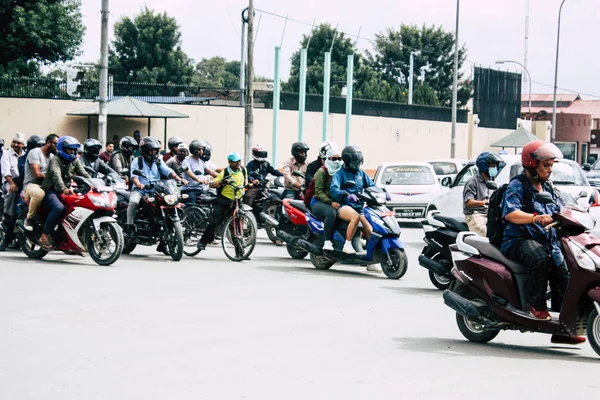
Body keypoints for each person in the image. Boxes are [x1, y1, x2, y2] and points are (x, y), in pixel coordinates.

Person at [500, 141, 583, 344]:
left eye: (551, 165)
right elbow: (511, 213)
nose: (549, 169)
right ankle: (536, 306)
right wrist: (535, 217)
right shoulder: (517, 185)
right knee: (540, 258)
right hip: (518, 239)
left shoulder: (548, 187)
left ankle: (563, 329)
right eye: (545, 165)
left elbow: (562, 207)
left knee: (564, 269)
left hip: (546, 240)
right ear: (532, 164)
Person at [125, 137, 188, 234]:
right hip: (141, 190)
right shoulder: (137, 161)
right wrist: (139, 184)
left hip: (156, 190)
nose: (154, 153)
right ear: (145, 151)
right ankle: (130, 226)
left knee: (170, 203)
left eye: (155, 151)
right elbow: (134, 176)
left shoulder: (158, 161)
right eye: (151, 151)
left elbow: (167, 170)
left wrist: (179, 179)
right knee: (134, 202)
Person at [40, 137, 91, 249]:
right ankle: (44, 235)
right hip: (51, 191)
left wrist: (94, 184)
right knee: (59, 208)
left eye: (74, 150)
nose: (72, 152)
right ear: (62, 148)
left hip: (66, 192)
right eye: (69, 149)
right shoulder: (56, 160)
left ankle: (68, 241)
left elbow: (84, 174)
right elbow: (56, 176)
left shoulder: (75, 160)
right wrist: (64, 188)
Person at [196, 152, 248, 251]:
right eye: (235, 162)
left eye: (239, 161)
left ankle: (240, 251)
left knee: (236, 225)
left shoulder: (243, 170)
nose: (238, 163)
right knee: (214, 222)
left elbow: (245, 181)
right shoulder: (225, 172)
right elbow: (212, 185)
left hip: (237, 200)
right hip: (224, 200)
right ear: (230, 162)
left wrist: (249, 185)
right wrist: (222, 182)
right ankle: (203, 242)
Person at [330, 145, 374, 255]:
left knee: (370, 230)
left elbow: (371, 185)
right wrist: (346, 194)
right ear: (347, 161)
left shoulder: (361, 173)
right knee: (355, 217)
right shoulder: (340, 174)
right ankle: (347, 244)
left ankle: (371, 259)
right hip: (344, 206)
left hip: (359, 207)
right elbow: (333, 189)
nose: (357, 165)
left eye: (359, 162)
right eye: (355, 163)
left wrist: (382, 191)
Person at [22, 134, 59, 231]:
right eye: (55, 144)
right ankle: (29, 218)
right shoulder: (35, 152)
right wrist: (53, 177)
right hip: (31, 185)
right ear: (48, 143)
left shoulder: (52, 157)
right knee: (39, 194)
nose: (57, 146)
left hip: (46, 185)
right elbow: (37, 174)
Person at [310, 145, 343, 251]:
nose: (337, 161)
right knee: (332, 213)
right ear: (328, 159)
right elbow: (319, 192)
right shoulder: (321, 172)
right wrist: (331, 202)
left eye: (339, 158)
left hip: (336, 200)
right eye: (334, 158)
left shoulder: (341, 171)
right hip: (319, 201)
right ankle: (327, 241)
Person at [463, 152, 502, 236]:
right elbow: (469, 202)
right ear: (483, 166)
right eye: (492, 166)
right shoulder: (473, 182)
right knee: (485, 235)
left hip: (489, 215)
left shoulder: (491, 182)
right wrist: (482, 202)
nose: (494, 168)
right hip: (475, 215)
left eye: (495, 166)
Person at [0, 132, 26, 251]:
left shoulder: (26, 155)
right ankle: (8, 214)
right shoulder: (6, 154)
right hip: (10, 182)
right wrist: (12, 183)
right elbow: (6, 172)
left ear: (23, 144)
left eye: (18, 143)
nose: (15, 144)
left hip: (23, 183)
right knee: (12, 198)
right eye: (14, 142)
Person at [180, 140, 210, 204]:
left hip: (200, 189)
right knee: (192, 207)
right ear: (193, 150)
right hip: (189, 190)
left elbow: (210, 172)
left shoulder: (201, 162)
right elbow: (189, 172)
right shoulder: (187, 160)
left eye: (202, 149)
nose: (201, 151)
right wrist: (198, 180)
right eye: (199, 149)